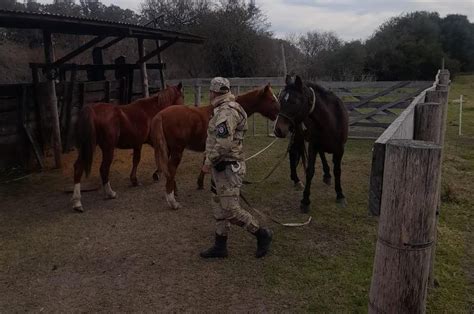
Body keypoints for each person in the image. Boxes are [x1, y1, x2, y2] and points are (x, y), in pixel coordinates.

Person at [200, 77, 273, 259]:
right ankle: (220, 246)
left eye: (211, 91)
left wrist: (208, 162)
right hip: (221, 168)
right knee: (218, 207)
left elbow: (224, 143)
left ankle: (262, 234)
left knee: (231, 210)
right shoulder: (224, 109)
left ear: (215, 92)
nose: (210, 94)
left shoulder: (226, 112)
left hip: (227, 168)